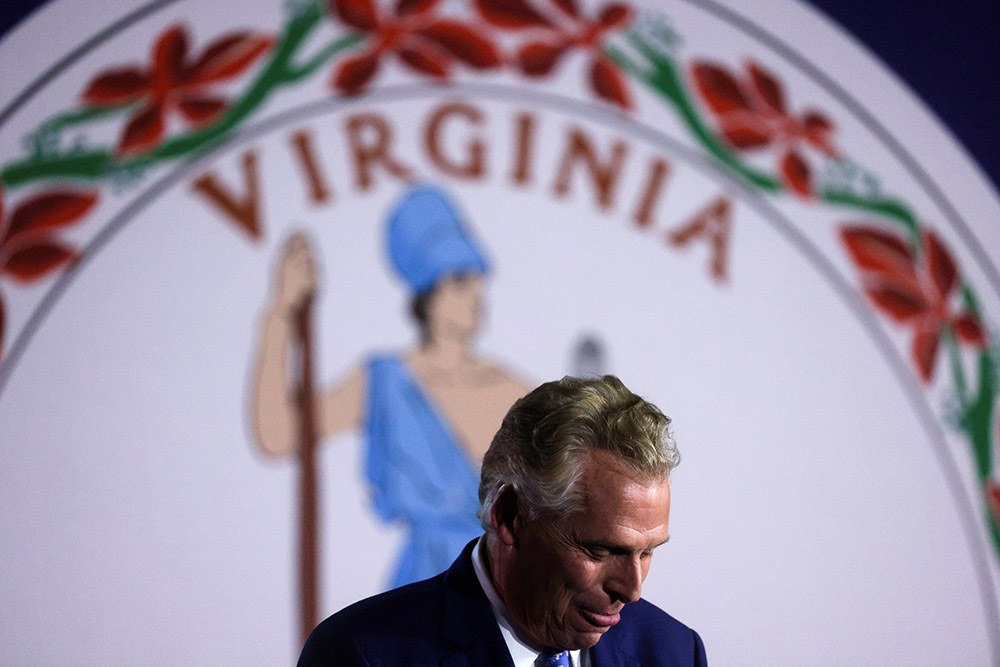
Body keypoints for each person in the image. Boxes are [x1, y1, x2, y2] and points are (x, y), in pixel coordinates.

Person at [298, 375, 707, 666]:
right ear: (509, 516)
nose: (631, 589)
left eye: (648, 551)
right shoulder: (361, 654)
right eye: (600, 550)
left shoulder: (673, 652)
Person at [251, 185, 531, 587]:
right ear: (426, 293)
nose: (475, 295)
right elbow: (277, 433)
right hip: (421, 589)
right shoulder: (385, 382)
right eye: (457, 281)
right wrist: (280, 313)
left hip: (503, 585)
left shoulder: (511, 389)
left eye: (475, 277)